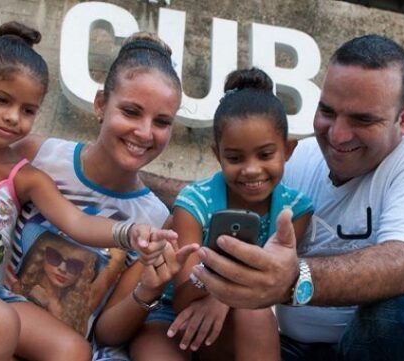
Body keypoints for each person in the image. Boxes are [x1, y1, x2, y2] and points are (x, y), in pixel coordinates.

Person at [186, 35, 404, 360]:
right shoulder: (299, 158)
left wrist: (292, 278)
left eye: (363, 119)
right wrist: (130, 185)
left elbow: (403, 264)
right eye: (327, 112)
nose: (337, 135)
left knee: (391, 318)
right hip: (297, 349)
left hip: (391, 346)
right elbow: (206, 196)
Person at [0, 23, 176, 361]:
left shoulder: (23, 174)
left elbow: (78, 223)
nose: (13, 118)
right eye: (1, 100)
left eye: (28, 110)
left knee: (72, 350)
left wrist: (129, 232)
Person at [7, 31, 198, 361]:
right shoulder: (39, 155)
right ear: (100, 104)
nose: (144, 132)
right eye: (131, 111)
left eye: (162, 121)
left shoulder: (155, 218)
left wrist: (149, 289)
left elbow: (107, 332)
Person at [133, 68, 314, 361]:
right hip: (172, 316)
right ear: (218, 154)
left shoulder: (295, 211)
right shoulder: (194, 203)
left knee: (254, 314)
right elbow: (181, 298)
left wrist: (223, 300)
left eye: (266, 154)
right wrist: (218, 293)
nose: (251, 169)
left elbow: (272, 286)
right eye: (235, 157)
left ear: (288, 150)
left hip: (241, 317)